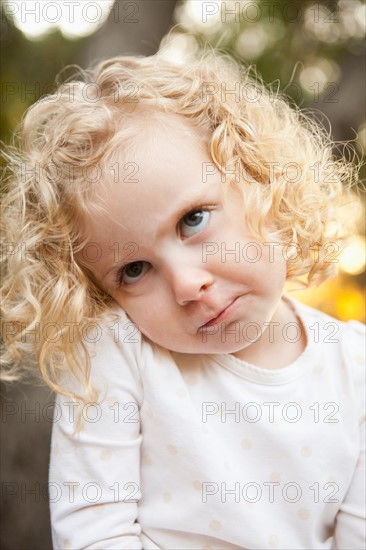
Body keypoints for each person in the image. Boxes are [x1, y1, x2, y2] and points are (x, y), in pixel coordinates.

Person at [1, 51, 364, 549]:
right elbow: (94, 535)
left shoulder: (357, 367)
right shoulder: (119, 354)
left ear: (259, 180)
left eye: (193, 219)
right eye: (134, 270)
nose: (187, 284)